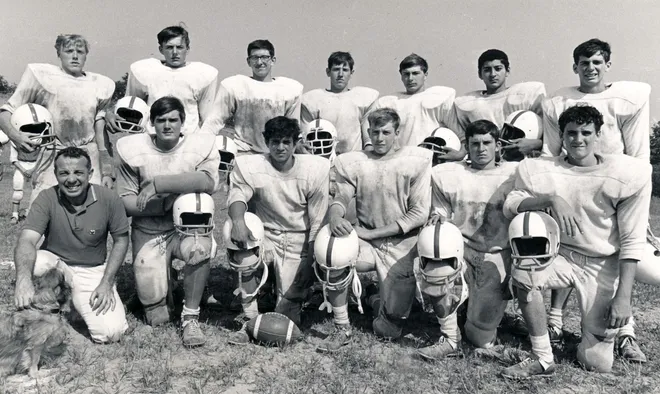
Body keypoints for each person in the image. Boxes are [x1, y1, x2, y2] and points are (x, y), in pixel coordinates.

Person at [501, 105, 651, 378]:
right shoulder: (541, 169)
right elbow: (511, 204)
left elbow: (632, 241)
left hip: (601, 263)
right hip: (560, 255)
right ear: (561, 135)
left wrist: (623, 298)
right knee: (524, 272)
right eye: (571, 133)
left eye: (585, 132)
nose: (578, 139)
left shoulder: (625, 173)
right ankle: (543, 357)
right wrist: (549, 199)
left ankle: (602, 333)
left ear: (598, 135)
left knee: (596, 363)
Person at [542, 38, 651, 362]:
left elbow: (639, 154)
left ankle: (625, 333)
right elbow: (551, 151)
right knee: (568, 245)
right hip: (572, 181)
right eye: (584, 63)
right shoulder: (558, 100)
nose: (590, 68)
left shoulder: (626, 99)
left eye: (597, 62)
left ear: (607, 65)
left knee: (614, 252)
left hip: (615, 186)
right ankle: (555, 320)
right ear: (575, 66)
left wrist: (639, 211)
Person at [322, 107, 432, 350]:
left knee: (387, 330)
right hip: (368, 244)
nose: (379, 138)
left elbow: (418, 214)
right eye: (375, 132)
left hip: (402, 245)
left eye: (386, 132)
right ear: (368, 132)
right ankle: (342, 326)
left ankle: (374, 299)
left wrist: (371, 233)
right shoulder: (354, 162)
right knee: (334, 251)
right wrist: (335, 215)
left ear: (397, 132)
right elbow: (341, 197)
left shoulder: (416, 161)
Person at [115, 96, 220, 347]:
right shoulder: (132, 149)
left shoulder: (200, 145)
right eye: (160, 120)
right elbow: (126, 203)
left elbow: (207, 182)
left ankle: (190, 316)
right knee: (157, 317)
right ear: (151, 123)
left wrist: (159, 185)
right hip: (149, 230)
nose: (167, 125)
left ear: (183, 122)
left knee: (199, 227)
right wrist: (164, 204)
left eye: (173, 119)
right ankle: (163, 287)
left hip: (185, 230)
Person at [418, 120, 518, 360]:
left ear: (497, 146)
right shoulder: (450, 174)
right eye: (475, 143)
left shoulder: (513, 175)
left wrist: (514, 265)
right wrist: (436, 219)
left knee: (480, 337)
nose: (481, 149)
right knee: (435, 244)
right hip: (460, 251)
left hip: (496, 254)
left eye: (487, 143)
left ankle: (472, 317)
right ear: (467, 146)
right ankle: (450, 337)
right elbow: (440, 211)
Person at [225, 116, 329, 344]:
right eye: (274, 142)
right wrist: (238, 221)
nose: (280, 147)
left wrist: (310, 262)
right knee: (242, 247)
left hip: (298, 238)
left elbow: (318, 219)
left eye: (286, 142)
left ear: (295, 142)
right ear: (266, 141)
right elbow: (238, 194)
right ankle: (248, 315)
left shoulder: (315, 168)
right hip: (266, 235)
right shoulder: (251, 164)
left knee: (288, 316)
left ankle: (290, 291)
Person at [13, 147, 130, 344]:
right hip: (57, 267)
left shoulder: (109, 199)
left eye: (78, 172)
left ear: (90, 174)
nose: (71, 179)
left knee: (111, 333)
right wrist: (22, 280)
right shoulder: (47, 197)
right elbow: (27, 240)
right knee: (38, 261)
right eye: (64, 173)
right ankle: (46, 300)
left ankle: (77, 303)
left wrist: (107, 282)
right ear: (56, 175)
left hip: (91, 270)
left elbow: (121, 240)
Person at [0, 34, 115, 205]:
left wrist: (106, 169)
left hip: (87, 153)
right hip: (53, 151)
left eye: (80, 51)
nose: (75, 56)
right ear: (58, 53)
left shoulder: (99, 84)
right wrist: (16, 136)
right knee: (44, 208)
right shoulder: (41, 77)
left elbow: (100, 130)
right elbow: (6, 111)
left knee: (91, 210)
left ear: (86, 55)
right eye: (69, 51)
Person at [106, 25, 219, 136]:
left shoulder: (202, 74)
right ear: (161, 49)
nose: (175, 52)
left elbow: (207, 117)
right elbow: (130, 104)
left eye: (179, 47)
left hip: (187, 140)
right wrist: (111, 113)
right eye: (169, 47)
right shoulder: (145, 70)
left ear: (187, 49)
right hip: (152, 137)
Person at [201, 40, 303, 154]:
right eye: (255, 58)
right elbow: (215, 120)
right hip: (242, 150)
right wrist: (201, 148)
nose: (260, 62)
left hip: (275, 152)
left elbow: (293, 128)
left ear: (273, 60)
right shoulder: (235, 85)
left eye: (265, 57)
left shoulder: (289, 89)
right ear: (248, 61)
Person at [365, 54, 464, 161]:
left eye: (415, 73)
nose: (410, 78)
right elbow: (370, 134)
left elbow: (462, 135)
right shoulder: (389, 101)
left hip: (430, 161)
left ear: (425, 74)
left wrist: (461, 154)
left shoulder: (439, 97)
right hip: (398, 160)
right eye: (406, 74)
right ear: (401, 76)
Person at [453, 49, 546, 159]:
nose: (493, 74)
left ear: (507, 71)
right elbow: (465, 138)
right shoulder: (467, 103)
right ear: (480, 74)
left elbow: (550, 132)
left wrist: (537, 144)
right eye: (487, 70)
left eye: (498, 69)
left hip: (524, 159)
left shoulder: (527, 93)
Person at [301, 52, 379, 153]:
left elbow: (368, 138)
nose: (340, 75)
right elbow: (305, 138)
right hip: (322, 157)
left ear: (351, 73)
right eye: (336, 69)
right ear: (328, 72)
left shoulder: (362, 98)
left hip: (352, 158)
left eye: (345, 70)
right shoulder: (313, 100)